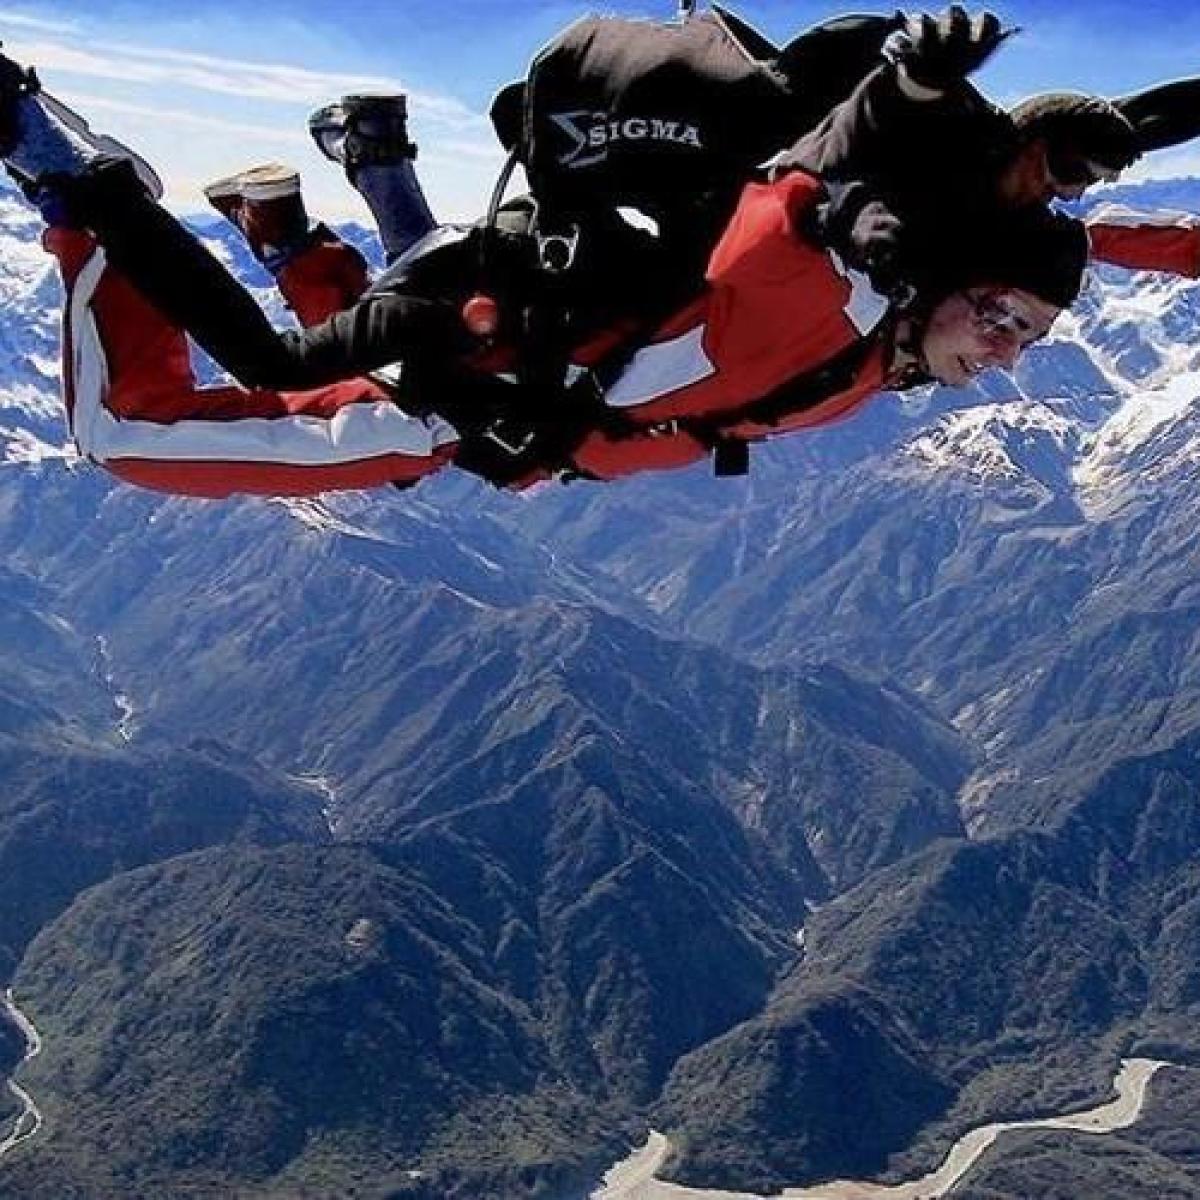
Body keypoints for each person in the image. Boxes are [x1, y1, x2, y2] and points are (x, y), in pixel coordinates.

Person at [1, 47, 1101, 499]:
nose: (1007, 348)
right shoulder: (835, 306)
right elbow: (784, 212)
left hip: (505, 343)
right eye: (1002, 315)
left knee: (378, 307)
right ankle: (85, 195)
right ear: (941, 276)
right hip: (471, 386)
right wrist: (886, 132)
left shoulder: (880, 342)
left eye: (1029, 335)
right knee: (130, 435)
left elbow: (1060, 254)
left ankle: (316, 203)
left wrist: (1053, 171)